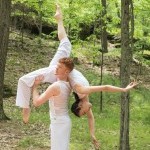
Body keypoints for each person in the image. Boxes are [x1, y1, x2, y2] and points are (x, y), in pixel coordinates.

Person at [16, 4, 100, 149]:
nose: (88, 112)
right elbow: (103, 90)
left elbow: (90, 117)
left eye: (84, 112)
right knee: (66, 43)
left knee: (24, 80)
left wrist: (92, 135)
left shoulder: (81, 93)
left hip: (58, 72)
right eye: (85, 111)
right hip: (61, 67)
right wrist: (123, 89)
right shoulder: (83, 93)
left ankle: (25, 107)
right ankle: (59, 19)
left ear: (80, 105)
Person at [32, 57, 74, 150]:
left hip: (59, 121)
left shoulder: (55, 86)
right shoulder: (69, 84)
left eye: (59, 67)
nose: (56, 68)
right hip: (63, 120)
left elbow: (37, 102)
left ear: (66, 71)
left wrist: (35, 86)